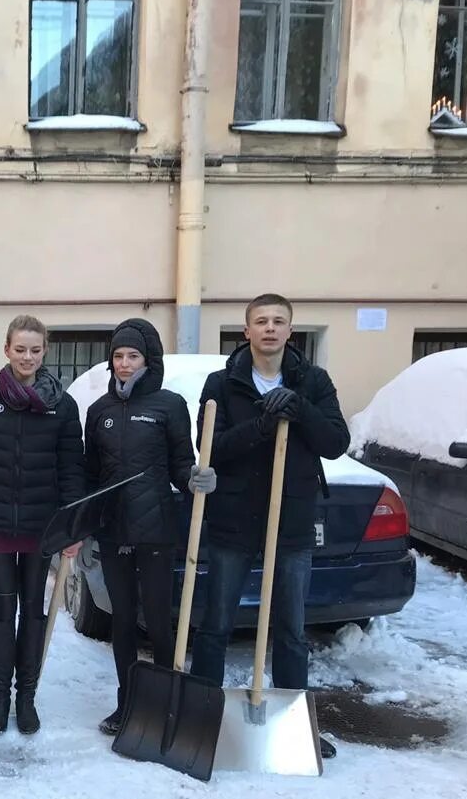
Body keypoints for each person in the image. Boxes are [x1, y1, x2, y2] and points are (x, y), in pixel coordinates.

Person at [189, 294, 349, 759]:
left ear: (290, 330)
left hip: (292, 517)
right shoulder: (223, 382)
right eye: (261, 321)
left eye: (279, 321)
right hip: (234, 520)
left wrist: (299, 408)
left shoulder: (313, 381)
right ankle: (203, 717)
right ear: (247, 331)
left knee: (291, 628)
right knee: (215, 621)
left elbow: (336, 442)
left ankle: (295, 722)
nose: (270, 328)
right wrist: (263, 423)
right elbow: (210, 447)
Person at [82, 318, 214, 737]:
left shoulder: (168, 405)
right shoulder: (100, 410)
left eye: (132, 356)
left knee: (157, 621)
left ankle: (165, 704)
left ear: (147, 360)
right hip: (114, 529)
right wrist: (80, 521)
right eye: (118, 356)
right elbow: (91, 473)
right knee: (122, 620)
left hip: (156, 529)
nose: (124, 364)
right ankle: (128, 702)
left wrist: (195, 479)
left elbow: (179, 465)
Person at [0, 315, 85, 735]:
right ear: (6, 349)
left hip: (41, 526)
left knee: (33, 610)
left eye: (35, 349)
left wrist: (72, 527)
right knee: (2, 609)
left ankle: (26, 697)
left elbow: (71, 471)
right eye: (20, 349)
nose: (27, 357)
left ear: (44, 351)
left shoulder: (61, 406)